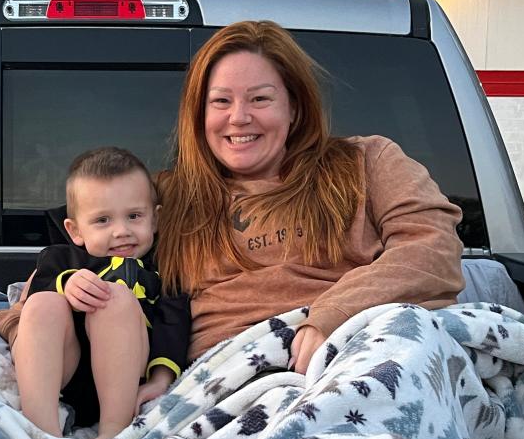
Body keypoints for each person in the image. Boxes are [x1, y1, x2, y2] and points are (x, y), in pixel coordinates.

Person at [154, 20, 465, 372]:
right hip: (228, 376)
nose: (238, 117)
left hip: (358, 355)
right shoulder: (167, 199)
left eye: (260, 98)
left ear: (294, 108)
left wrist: (335, 314)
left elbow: (432, 250)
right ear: (199, 115)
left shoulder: (367, 161)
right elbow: (93, 248)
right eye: (221, 101)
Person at [0, 147, 189, 439]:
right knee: (42, 302)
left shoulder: (164, 268)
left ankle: (112, 433)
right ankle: (44, 434)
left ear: (154, 220)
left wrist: (161, 378)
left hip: (125, 382)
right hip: (65, 373)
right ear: (75, 230)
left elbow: (174, 324)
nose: (121, 231)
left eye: (134, 216)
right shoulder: (60, 259)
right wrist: (67, 284)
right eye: (103, 220)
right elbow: (33, 301)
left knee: (115, 299)